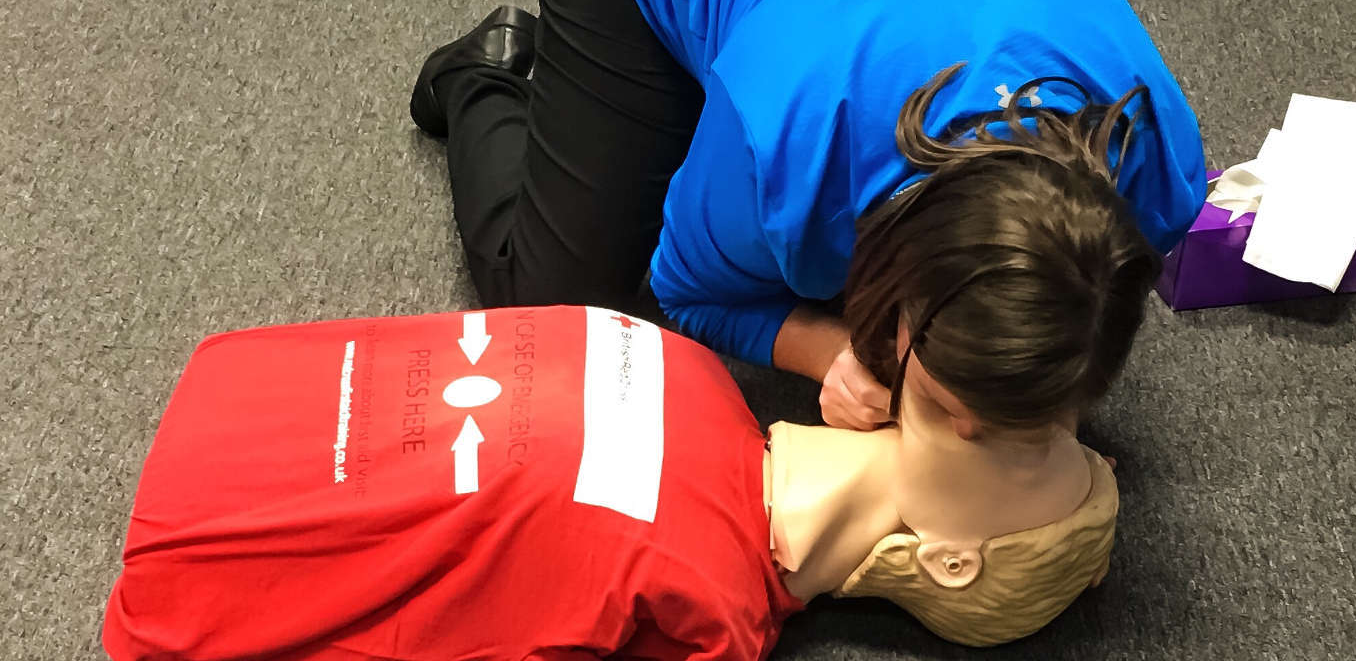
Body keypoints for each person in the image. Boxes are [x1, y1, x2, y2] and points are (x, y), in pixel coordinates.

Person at [408, 0, 1206, 431]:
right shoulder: (795, 150)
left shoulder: (1161, 168)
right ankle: (482, 75)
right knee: (557, 302)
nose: (971, 444)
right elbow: (689, 291)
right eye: (948, 413)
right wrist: (827, 352)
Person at [103, 306, 1118, 660]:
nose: (1032, 423)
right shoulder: (712, 596)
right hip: (214, 544)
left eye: (1042, 459)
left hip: (212, 523)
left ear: (950, 561)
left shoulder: (710, 594)